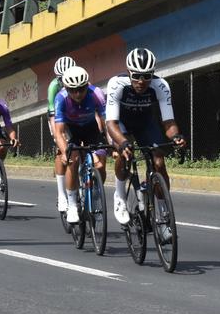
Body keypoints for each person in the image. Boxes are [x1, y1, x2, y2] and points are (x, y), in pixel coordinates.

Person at [105, 48, 186, 243]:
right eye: (136, 76)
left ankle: (164, 218)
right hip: (121, 124)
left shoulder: (161, 85)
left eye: (147, 76)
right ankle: (120, 196)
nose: (141, 81)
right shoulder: (117, 83)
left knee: (159, 161)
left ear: (153, 74)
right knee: (124, 153)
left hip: (145, 124)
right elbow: (111, 123)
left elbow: (168, 122)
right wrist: (122, 142)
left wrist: (177, 137)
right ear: (128, 72)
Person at [53, 65, 108, 223]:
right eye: (73, 90)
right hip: (71, 130)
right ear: (66, 88)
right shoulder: (61, 98)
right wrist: (65, 152)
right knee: (73, 159)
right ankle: (72, 205)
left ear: (87, 86)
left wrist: (111, 143)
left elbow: (106, 122)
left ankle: (95, 193)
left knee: (100, 164)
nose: (77, 94)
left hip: (91, 128)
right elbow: (59, 132)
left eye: (81, 89)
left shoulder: (96, 94)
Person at [48, 55, 76, 218]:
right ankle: (61, 194)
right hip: (57, 115)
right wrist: (58, 136)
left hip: (75, 114)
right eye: (61, 79)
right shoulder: (53, 86)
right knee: (61, 149)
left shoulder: (78, 79)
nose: (65, 81)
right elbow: (53, 114)